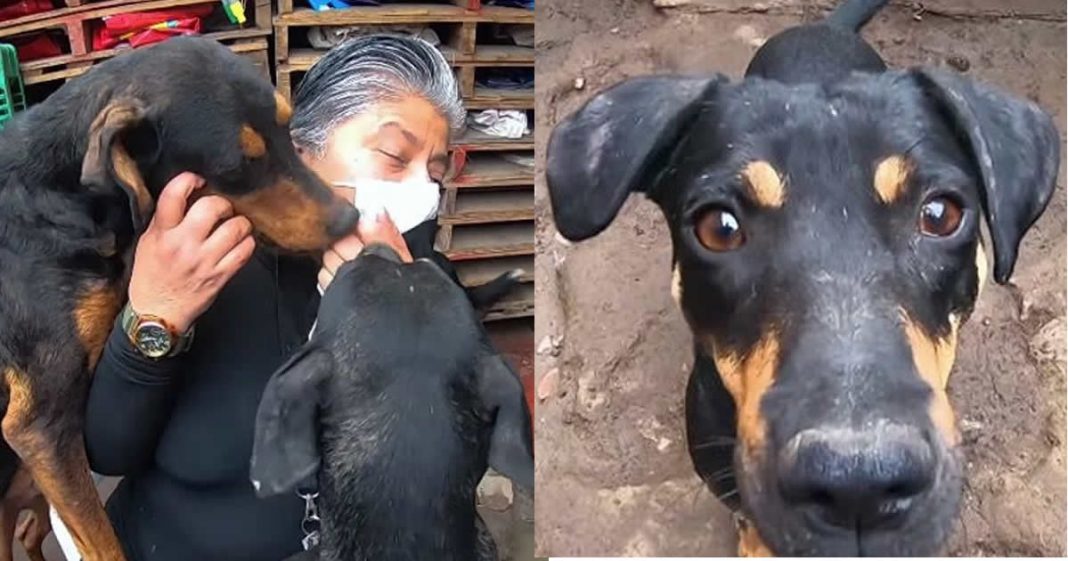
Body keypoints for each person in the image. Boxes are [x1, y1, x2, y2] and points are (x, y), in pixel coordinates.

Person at [83, 35, 464, 561]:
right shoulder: (197, 265)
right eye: (395, 157)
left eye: (437, 171)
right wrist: (157, 314)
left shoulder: (424, 284)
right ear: (303, 152)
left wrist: (392, 327)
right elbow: (108, 450)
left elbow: (442, 469)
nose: (422, 187)